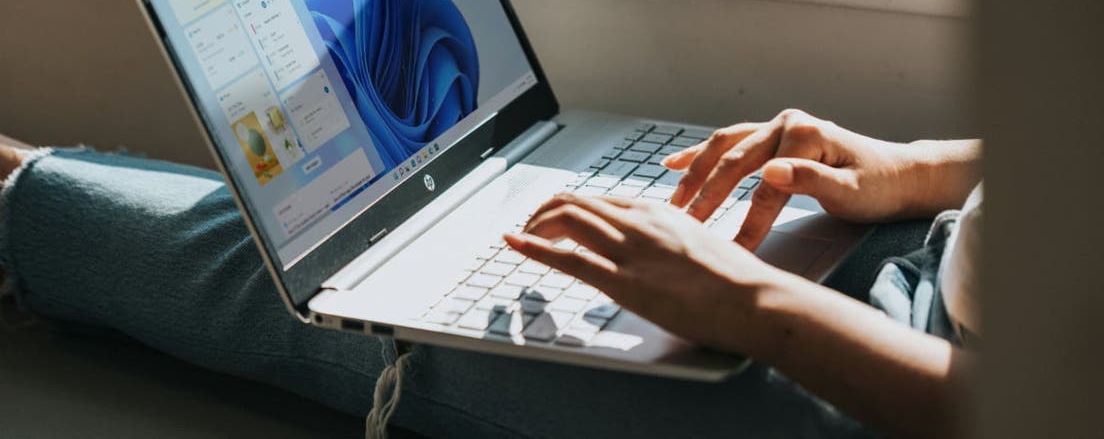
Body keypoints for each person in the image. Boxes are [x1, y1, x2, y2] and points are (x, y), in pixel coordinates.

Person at [0, 109, 981, 438]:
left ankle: (13, 194)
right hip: (928, 253)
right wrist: (919, 170)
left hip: (904, 394)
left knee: (310, 282)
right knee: (413, 226)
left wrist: (749, 301)